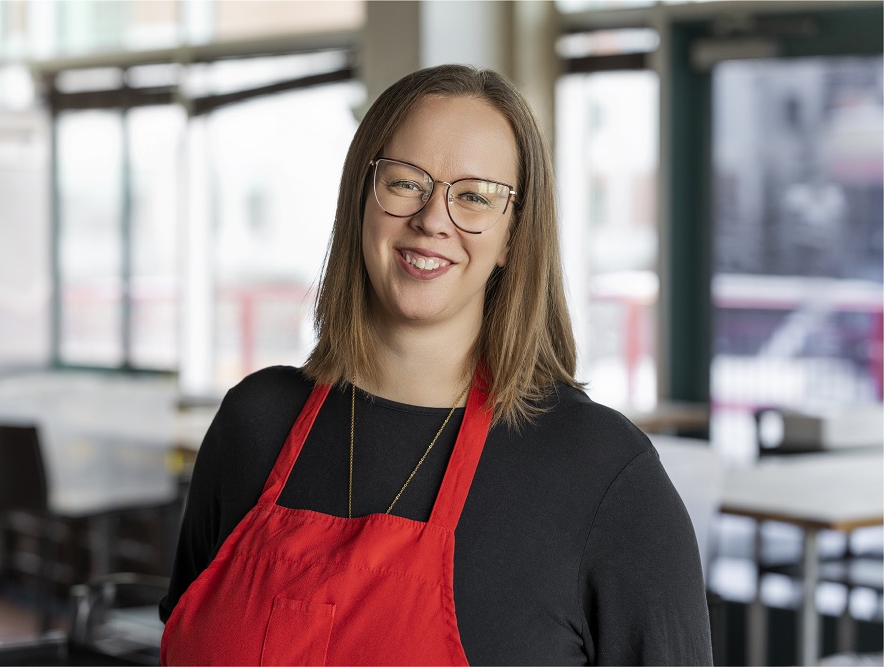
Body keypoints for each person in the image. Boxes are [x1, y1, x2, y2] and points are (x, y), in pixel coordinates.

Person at [159, 64, 713, 666]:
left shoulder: (604, 476)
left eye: (474, 196)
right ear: (360, 199)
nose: (432, 219)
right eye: (405, 182)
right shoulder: (252, 425)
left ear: (512, 239)